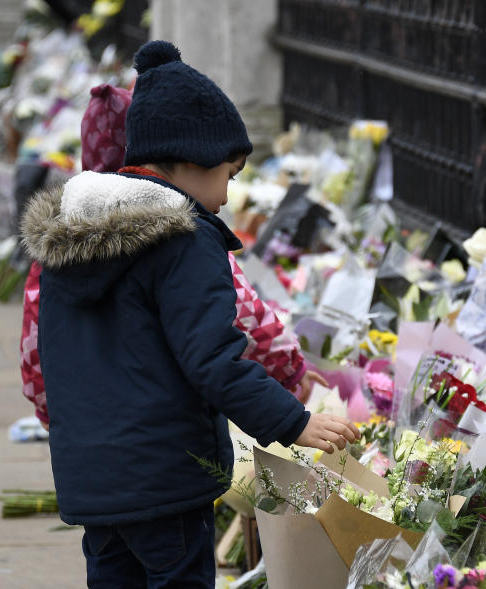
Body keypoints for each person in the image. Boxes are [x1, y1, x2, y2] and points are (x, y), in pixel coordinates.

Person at [19, 40, 359, 588]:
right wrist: (293, 422)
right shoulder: (185, 239)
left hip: (93, 484)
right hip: (165, 481)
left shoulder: (68, 240)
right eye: (230, 173)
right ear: (193, 159)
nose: (227, 194)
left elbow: (54, 362)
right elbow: (213, 359)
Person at [20, 83, 323, 431]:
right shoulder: (182, 238)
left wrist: (50, 411)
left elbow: (35, 345)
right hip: (165, 449)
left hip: (82, 446)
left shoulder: (56, 245)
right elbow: (240, 322)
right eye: (229, 173)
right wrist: (290, 375)